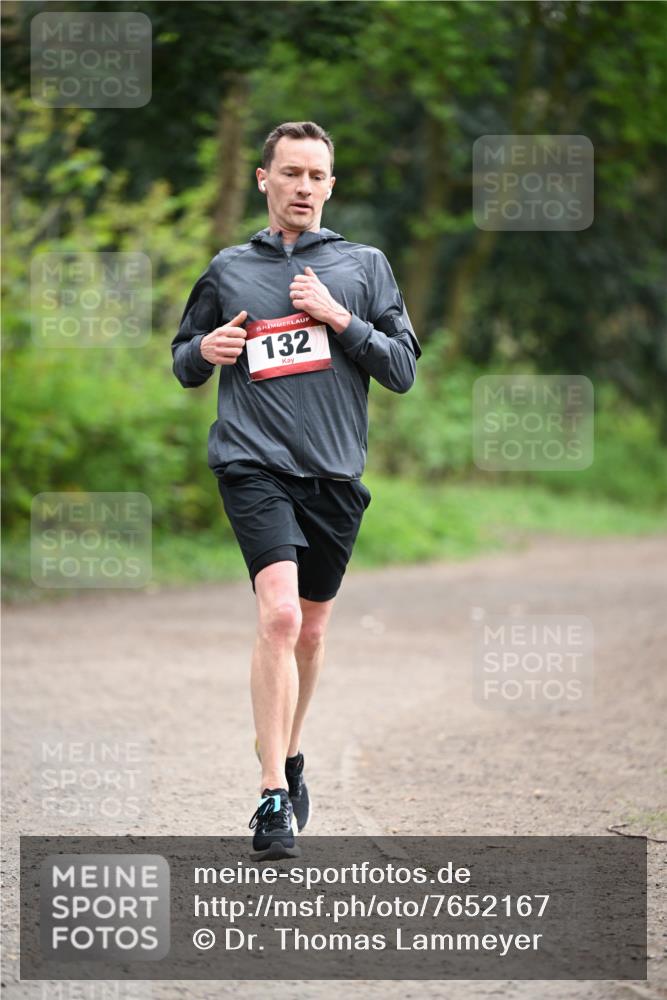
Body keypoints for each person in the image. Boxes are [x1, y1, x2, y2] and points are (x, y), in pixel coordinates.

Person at [172, 121, 421, 860]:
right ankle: (272, 794)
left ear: (330, 186)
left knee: (310, 630)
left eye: (316, 176)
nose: (303, 187)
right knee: (278, 616)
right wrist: (205, 350)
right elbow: (185, 361)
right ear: (264, 180)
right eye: (290, 174)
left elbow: (401, 368)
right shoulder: (227, 269)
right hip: (252, 462)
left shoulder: (362, 265)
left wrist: (339, 318)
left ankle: (289, 747)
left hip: (334, 473)